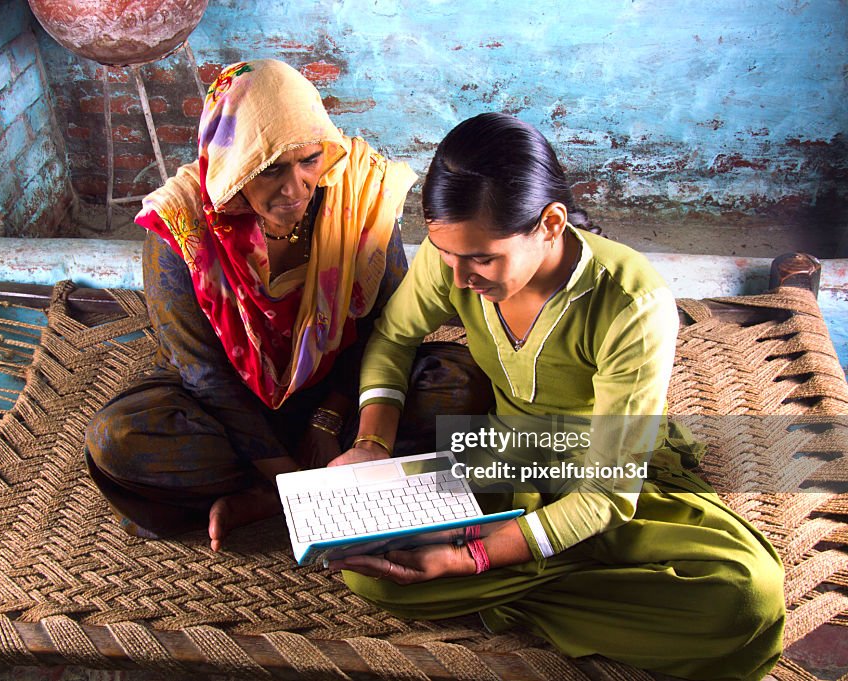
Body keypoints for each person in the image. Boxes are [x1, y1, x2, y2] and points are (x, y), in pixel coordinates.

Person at [327, 113, 785, 681]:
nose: (460, 276)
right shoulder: (453, 255)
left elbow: (606, 496)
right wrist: (373, 442)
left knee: (747, 598)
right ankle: (576, 590)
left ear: (550, 223)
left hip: (613, 477)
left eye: (482, 259)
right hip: (504, 457)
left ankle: (505, 585)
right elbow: (394, 337)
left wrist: (473, 557)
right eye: (447, 255)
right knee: (368, 571)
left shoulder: (631, 303)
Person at [84, 59, 489, 551]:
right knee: (120, 440)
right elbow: (203, 374)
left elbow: (387, 329)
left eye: (308, 161)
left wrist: (331, 418)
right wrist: (280, 472)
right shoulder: (180, 228)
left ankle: (279, 490)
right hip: (229, 413)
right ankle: (292, 492)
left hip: (341, 394)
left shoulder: (357, 196)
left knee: (466, 385)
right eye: (270, 169)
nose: (295, 188)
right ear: (232, 164)